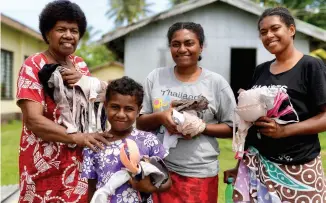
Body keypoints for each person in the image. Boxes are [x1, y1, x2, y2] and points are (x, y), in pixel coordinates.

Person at [225, 7, 326, 202]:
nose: (269, 35)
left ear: (291, 29)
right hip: (260, 166)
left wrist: (284, 131)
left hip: (299, 168)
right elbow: (251, 125)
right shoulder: (260, 71)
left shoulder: (310, 66)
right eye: (263, 32)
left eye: (275, 28)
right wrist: (238, 167)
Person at [16, 1, 111, 202]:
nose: (69, 35)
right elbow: (33, 120)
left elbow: (94, 102)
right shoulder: (34, 65)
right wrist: (78, 137)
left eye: (74, 30)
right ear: (47, 33)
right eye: (61, 29)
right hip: (44, 164)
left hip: (78, 163)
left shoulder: (79, 64)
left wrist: (85, 81)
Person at [136, 22, 236, 203]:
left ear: (201, 46)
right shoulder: (155, 78)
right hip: (158, 170)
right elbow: (140, 122)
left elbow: (234, 128)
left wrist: (201, 127)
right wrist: (160, 117)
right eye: (176, 44)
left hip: (199, 174)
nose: (182, 49)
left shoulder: (216, 83)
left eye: (189, 43)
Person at [82, 76, 171, 203]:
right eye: (115, 107)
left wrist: (149, 187)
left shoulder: (149, 140)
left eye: (129, 109)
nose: (121, 114)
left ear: (138, 110)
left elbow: (167, 182)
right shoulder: (94, 144)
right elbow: (92, 189)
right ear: (106, 106)